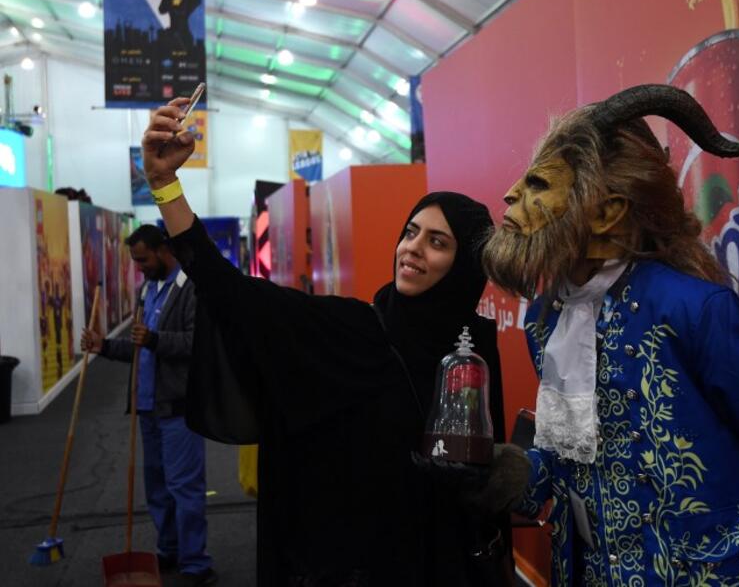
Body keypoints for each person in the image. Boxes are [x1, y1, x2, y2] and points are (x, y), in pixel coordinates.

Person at [141, 97, 508, 586]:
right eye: (411, 232)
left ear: (464, 267)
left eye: (437, 242)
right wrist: (165, 185)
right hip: (370, 566)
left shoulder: (474, 346)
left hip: (450, 562)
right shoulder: (357, 333)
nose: (412, 249)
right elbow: (229, 290)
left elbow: (484, 483)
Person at [480, 84, 739, 585]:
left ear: (607, 212)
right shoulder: (545, 320)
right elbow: (575, 454)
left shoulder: (693, 309)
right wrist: (526, 472)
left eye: (540, 184)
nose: (511, 195)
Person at [82, 224, 216, 587]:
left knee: (184, 488)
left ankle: (196, 564)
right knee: (157, 489)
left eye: (143, 259)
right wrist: (105, 346)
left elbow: (198, 344)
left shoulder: (189, 288)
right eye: (135, 262)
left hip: (178, 407)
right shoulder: (148, 289)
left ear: (163, 250)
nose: (139, 267)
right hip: (147, 408)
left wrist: (156, 339)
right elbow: (141, 345)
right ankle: (170, 550)